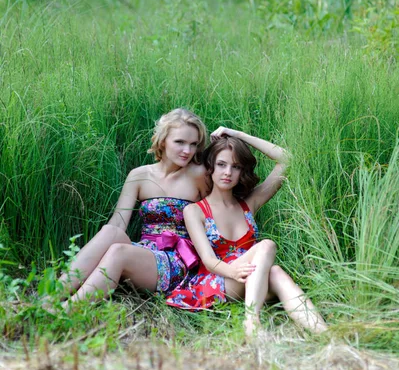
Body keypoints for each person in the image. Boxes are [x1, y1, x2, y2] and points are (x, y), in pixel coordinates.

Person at [166, 128, 327, 336]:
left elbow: (287, 160)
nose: (227, 173)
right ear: (210, 168)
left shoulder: (248, 204)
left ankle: (325, 333)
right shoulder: (195, 211)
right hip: (219, 280)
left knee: (276, 272)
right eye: (221, 165)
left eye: (236, 167)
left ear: (242, 172)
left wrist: (239, 136)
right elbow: (208, 261)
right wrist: (234, 272)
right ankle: (252, 323)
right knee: (267, 245)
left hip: (250, 282)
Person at [51, 108, 211, 306]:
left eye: (193, 144)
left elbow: (218, 216)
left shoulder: (199, 175)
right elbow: (119, 222)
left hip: (178, 261)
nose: (187, 150)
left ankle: (66, 310)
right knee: (111, 232)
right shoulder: (139, 175)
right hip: (144, 253)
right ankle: (48, 298)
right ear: (163, 141)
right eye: (180, 142)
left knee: (119, 251)